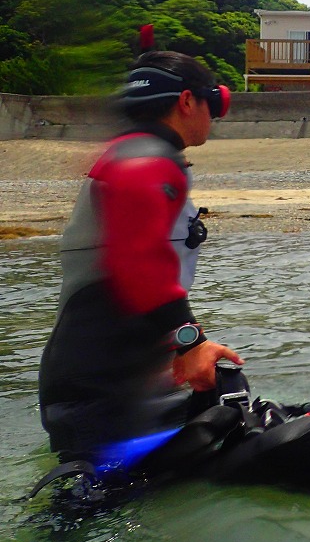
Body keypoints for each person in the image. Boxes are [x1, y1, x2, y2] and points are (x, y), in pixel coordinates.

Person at [38, 51, 243, 467]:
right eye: (211, 103)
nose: (213, 116)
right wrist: (191, 341)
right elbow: (139, 262)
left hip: (114, 380)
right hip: (99, 387)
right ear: (187, 101)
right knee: (81, 515)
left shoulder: (137, 154)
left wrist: (185, 347)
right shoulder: (145, 161)